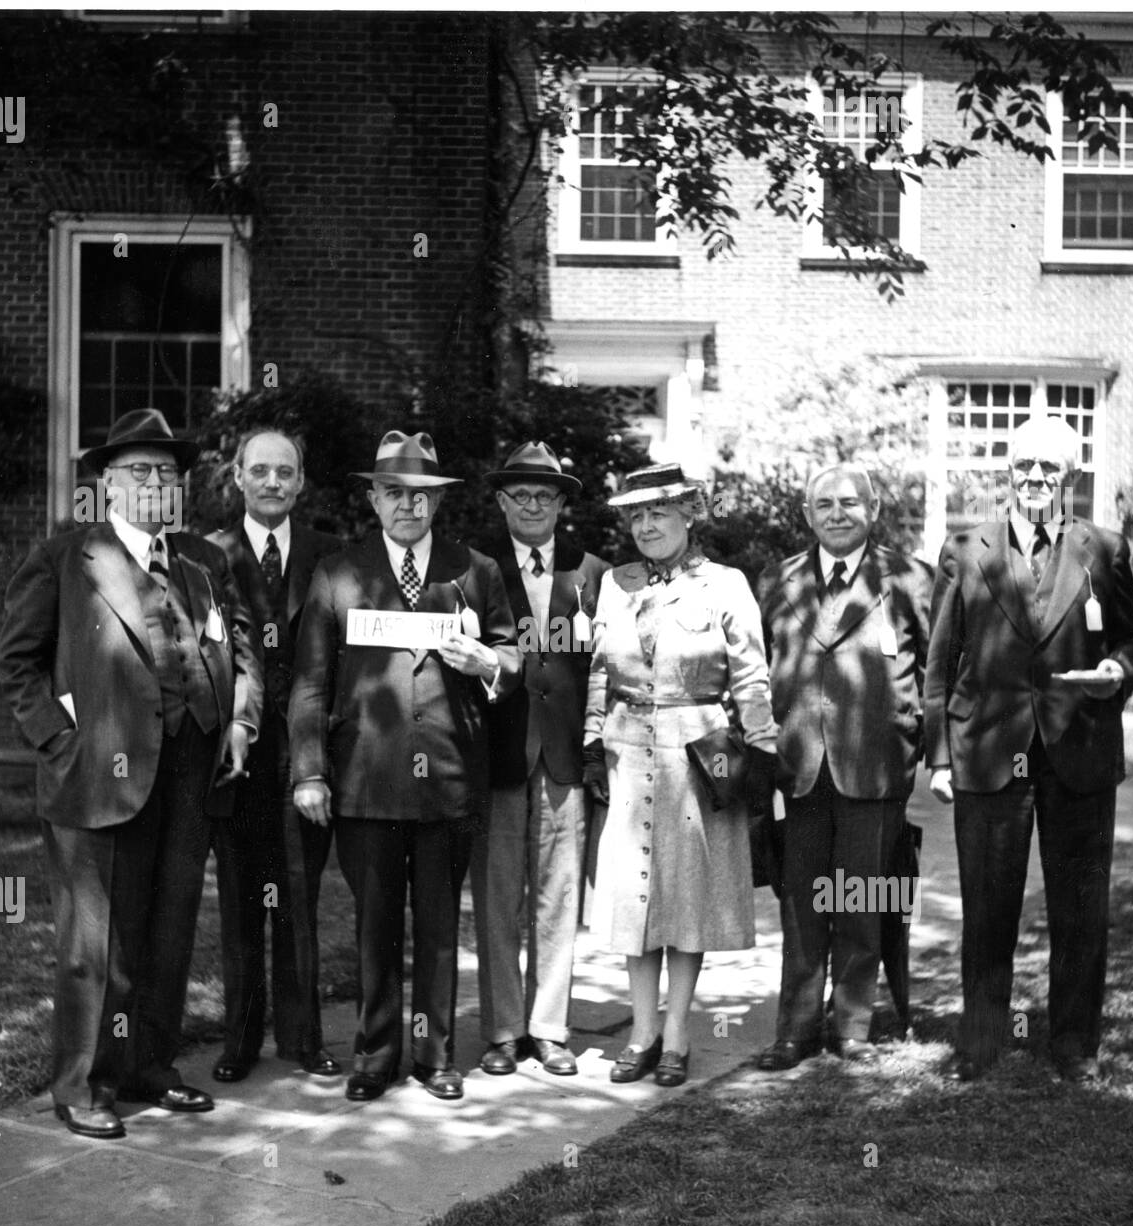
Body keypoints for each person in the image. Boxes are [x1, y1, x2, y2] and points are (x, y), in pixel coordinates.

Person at [0, 408, 263, 1139]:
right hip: (97, 776)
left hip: (188, 772)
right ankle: (83, 1085)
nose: (155, 483)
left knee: (170, 927)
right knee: (97, 940)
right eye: (139, 470)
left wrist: (240, 720)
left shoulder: (204, 562)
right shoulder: (68, 556)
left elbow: (240, 650)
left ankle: (149, 1065)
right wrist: (59, 741)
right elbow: (13, 660)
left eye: (167, 473)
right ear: (107, 482)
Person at [288, 431, 520, 1103]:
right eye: (394, 494)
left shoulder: (474, 569)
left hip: (448, 776)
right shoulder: (338, 572)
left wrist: (490, 664)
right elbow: (309, 681)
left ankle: (436, 1055)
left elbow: (512, 655)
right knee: (375, 924)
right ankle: (375, 1054)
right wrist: (309, 770)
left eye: (420, 496)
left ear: (438, 502)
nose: (407, 507)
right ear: (373, 499)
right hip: (364, 778)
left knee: (442, 925)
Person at [925, 416, 1133, 1083]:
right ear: (1007, 472)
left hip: (1077, 751)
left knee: (1080, 906)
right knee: (987, 902)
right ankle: (981, 1041)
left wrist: (1118, 671)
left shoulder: (1103, 549)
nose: (1033, 480)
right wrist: (940, 756)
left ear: (1070, 477)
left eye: (1047, 469)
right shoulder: (968, 548)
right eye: (1023, 467)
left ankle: (1074, 1044)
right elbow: (940, 660)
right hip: (989, 749)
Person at [583, 464, 776, 1087]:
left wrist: (761, 759)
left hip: (698, 757)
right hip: (627, 755)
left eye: (658, 512)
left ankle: (677, 1034)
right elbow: (595, 669)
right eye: (635, 515)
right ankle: (639, 1032)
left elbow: (751, 677)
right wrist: (592, 745)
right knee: (634, 898)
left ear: (689, 514)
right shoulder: (616, 584)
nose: (645, 525)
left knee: (686, 894)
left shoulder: (723, 584)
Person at [757, 464, 932, 1070]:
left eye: (850, 502)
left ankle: (853, 1024)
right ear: (808, 514)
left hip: (876, 765)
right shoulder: (778, 581)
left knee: (861, 898)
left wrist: (932, 754)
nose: (837, 513)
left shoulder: (910, 580)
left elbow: (937, 674)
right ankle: (797, 1028)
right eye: (824, 503)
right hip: (800, 768)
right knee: (803, 904)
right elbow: (759, 672)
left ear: (873, 508)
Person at [206, 429, 345, 1084]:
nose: (271, 482)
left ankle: (302, 1038)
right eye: (258, 470)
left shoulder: (330, 555)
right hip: (233, 763)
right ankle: (239, 1041)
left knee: (298, 899)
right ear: (238, 476)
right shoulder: (206, 554)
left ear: (300, 481)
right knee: (239, 904)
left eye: (283, 472)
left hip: (306, 759)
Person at [471, 442, 610, 1078]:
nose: (533, 504)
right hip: (496, 753)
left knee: (559, 896)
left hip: (563, 756)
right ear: (501, 502)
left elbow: (607, 668)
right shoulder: (474, 570)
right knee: (499, 895)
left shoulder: (594, 574)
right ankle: (502, 1031)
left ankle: (549, 1028)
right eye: (520, 494)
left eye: (545, 495)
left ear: (561, 505)